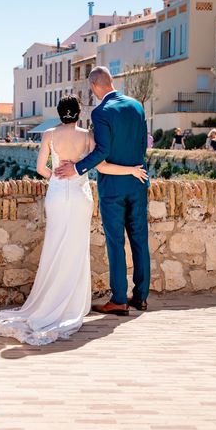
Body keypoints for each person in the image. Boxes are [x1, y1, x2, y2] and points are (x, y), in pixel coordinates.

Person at [0, 95, 147, 345]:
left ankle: (49, 301)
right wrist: (130, 169)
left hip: (56, 194)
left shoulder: (49, 135)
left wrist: (56, 176)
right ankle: (72, 304)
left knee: (55, 247)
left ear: (59, 113)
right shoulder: (88, 136)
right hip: (79, 196)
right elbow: (104, 167)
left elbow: (41, 168)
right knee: (76, 249)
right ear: (78, 113)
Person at [54, 66, 150, 316]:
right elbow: (143, 143)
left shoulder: (101, 112)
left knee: (116, 240)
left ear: (95, 86)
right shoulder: (137, 106)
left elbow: (102, 151)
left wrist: (77, 168)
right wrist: (134, 168)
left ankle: (119, 299)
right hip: (139, 180)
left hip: (113, 188)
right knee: (140, 239)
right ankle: (140, 297)